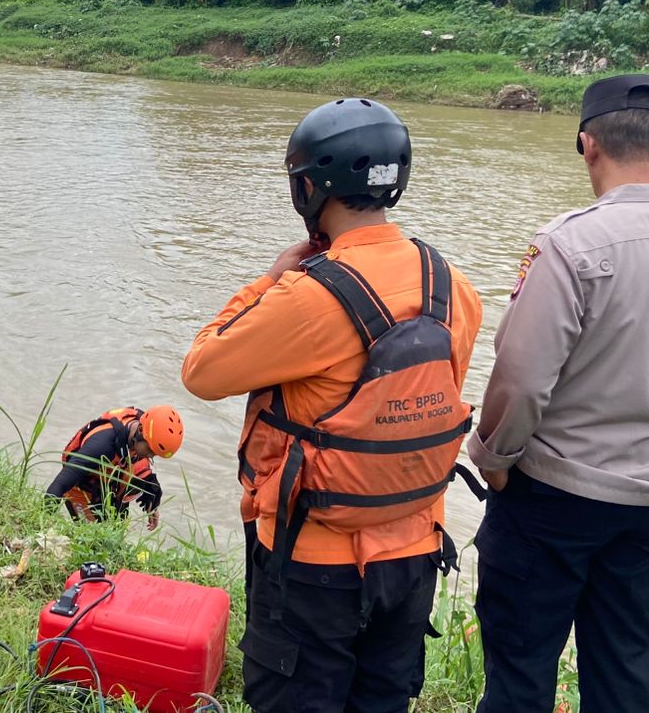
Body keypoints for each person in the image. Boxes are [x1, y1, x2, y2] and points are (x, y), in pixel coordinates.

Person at [466, 75, 649, 713]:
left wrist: (493, 460)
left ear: (586, 144)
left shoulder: (567, 245)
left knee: (520, 675)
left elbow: (520, 379)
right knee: (624, 675)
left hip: (551, 495)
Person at [182, 98, 483, 713]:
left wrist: (271, 279)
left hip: (314, 562)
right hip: (414, 557)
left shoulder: (311, 296)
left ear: (311, 187)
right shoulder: (451, 284)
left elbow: (203, 371)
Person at [44, 406, 183, 530]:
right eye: (150, 451)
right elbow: (60, 485)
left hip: (112, 475)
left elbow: (138, 464)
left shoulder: (139, 429)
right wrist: (43, 523)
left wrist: (152, 505)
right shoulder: (101, 447)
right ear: (140, 431)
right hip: (84, 485)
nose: (150, 457)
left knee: (116, 531)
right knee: (93, 540)